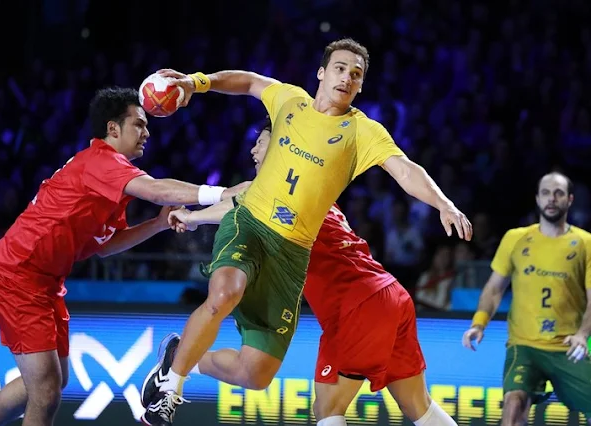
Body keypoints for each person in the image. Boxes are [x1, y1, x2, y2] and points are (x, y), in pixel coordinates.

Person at [142, 38, 472, 425]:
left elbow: (404, 169)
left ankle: (182, 357)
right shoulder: (289, 103)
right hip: (359, 282)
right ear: (321, 72)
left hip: (324, 281)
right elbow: (248, 82)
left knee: (291, 391)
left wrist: (443, 203)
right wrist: (196, 83)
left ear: (361, 85)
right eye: (340, 68)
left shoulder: (360, 132)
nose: (347, 77)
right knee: (418, 408)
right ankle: (175, 382)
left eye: (356, 73)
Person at [0, 87, 243, 426]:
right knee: (46, 392)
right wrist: (222, 194)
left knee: (53, 381)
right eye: (139, 124)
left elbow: (105, 246)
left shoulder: (108, 181)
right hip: (17, 275)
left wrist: (156, 224)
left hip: (45, 282)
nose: (147, 132)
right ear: (112, 129)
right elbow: (155, 189)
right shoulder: (101, 161)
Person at [462, 172, 591, 426]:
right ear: (537, 198)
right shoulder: (515, 238)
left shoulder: (585, 243)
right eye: (545, 193)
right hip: (524, 347)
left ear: (570, 199)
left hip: (567, 346)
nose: (551, 199)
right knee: (513, 406)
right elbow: (494, 288)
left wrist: (582, 335)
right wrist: (478, 323)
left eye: (558, 193)